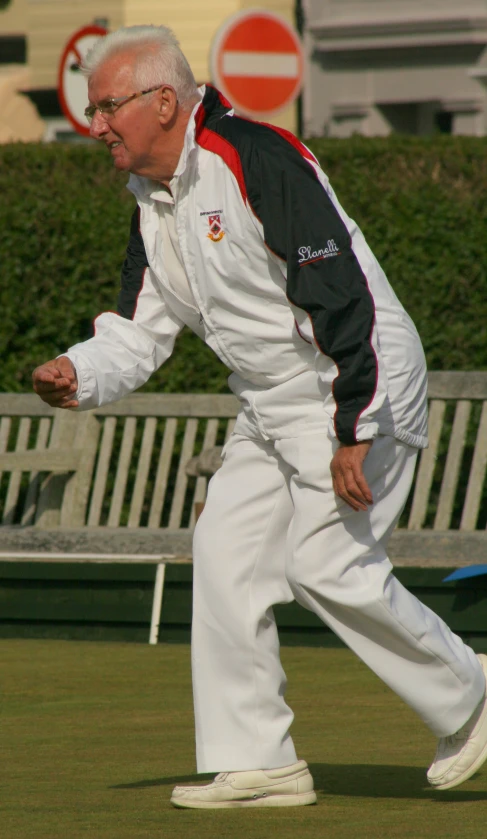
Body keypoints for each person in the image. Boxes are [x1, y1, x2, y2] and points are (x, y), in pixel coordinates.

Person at [32, 25, 487, 809]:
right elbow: (140, 328)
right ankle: (259, 760)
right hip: (272, 401)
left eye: (106, 106)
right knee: (225, 548)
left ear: (163, 100)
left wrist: (356, 425)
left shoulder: (254, 156)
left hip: (355, 377)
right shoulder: (151, 199)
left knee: (325, 565)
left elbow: (338, 290)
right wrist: (82, 370)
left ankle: (472, 699)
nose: (95, 123)